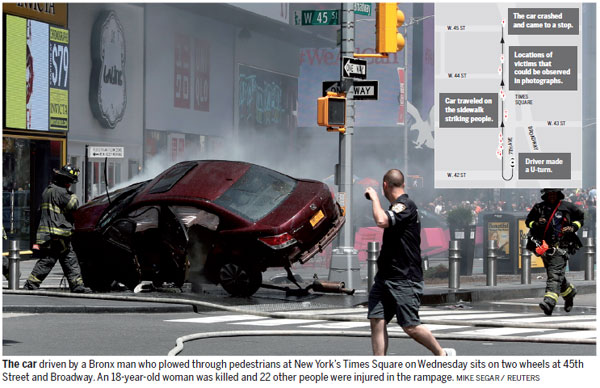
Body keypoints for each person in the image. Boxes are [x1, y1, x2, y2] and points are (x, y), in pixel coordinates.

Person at [364, 169, 455, 356]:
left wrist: (374, 198)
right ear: (403, 184)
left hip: (404, 277)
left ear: (384, 186)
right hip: (386, 276)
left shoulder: (404, 205)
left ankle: (442, 355)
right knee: (377, 319)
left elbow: (381, 220)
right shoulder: (398, 206)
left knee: (410, 326)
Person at [23, 164, 91, 293]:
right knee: (56, 259)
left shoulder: (48, 190)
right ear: (65, 180)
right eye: (70, 181)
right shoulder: (61, 192)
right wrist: (74, 196)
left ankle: (76, 285)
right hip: (57, 232)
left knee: (62, 258)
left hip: (51, 232)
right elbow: (73, 205)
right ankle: (31, 284)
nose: (70, 184)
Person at [526, 188, 584, 315]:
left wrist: (573, 227)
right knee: (556, 275)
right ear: (545, 195)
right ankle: (570, 293)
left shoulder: (568, 207)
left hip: (561, 246)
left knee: (554, 275)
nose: (552, 196)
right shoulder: (539, 208)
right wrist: (536, 223)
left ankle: (549, 303)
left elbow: (581, 218)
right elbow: (528, 222)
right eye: (549, 194)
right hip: (544, 248)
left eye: (554, 194)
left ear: (558, 195)